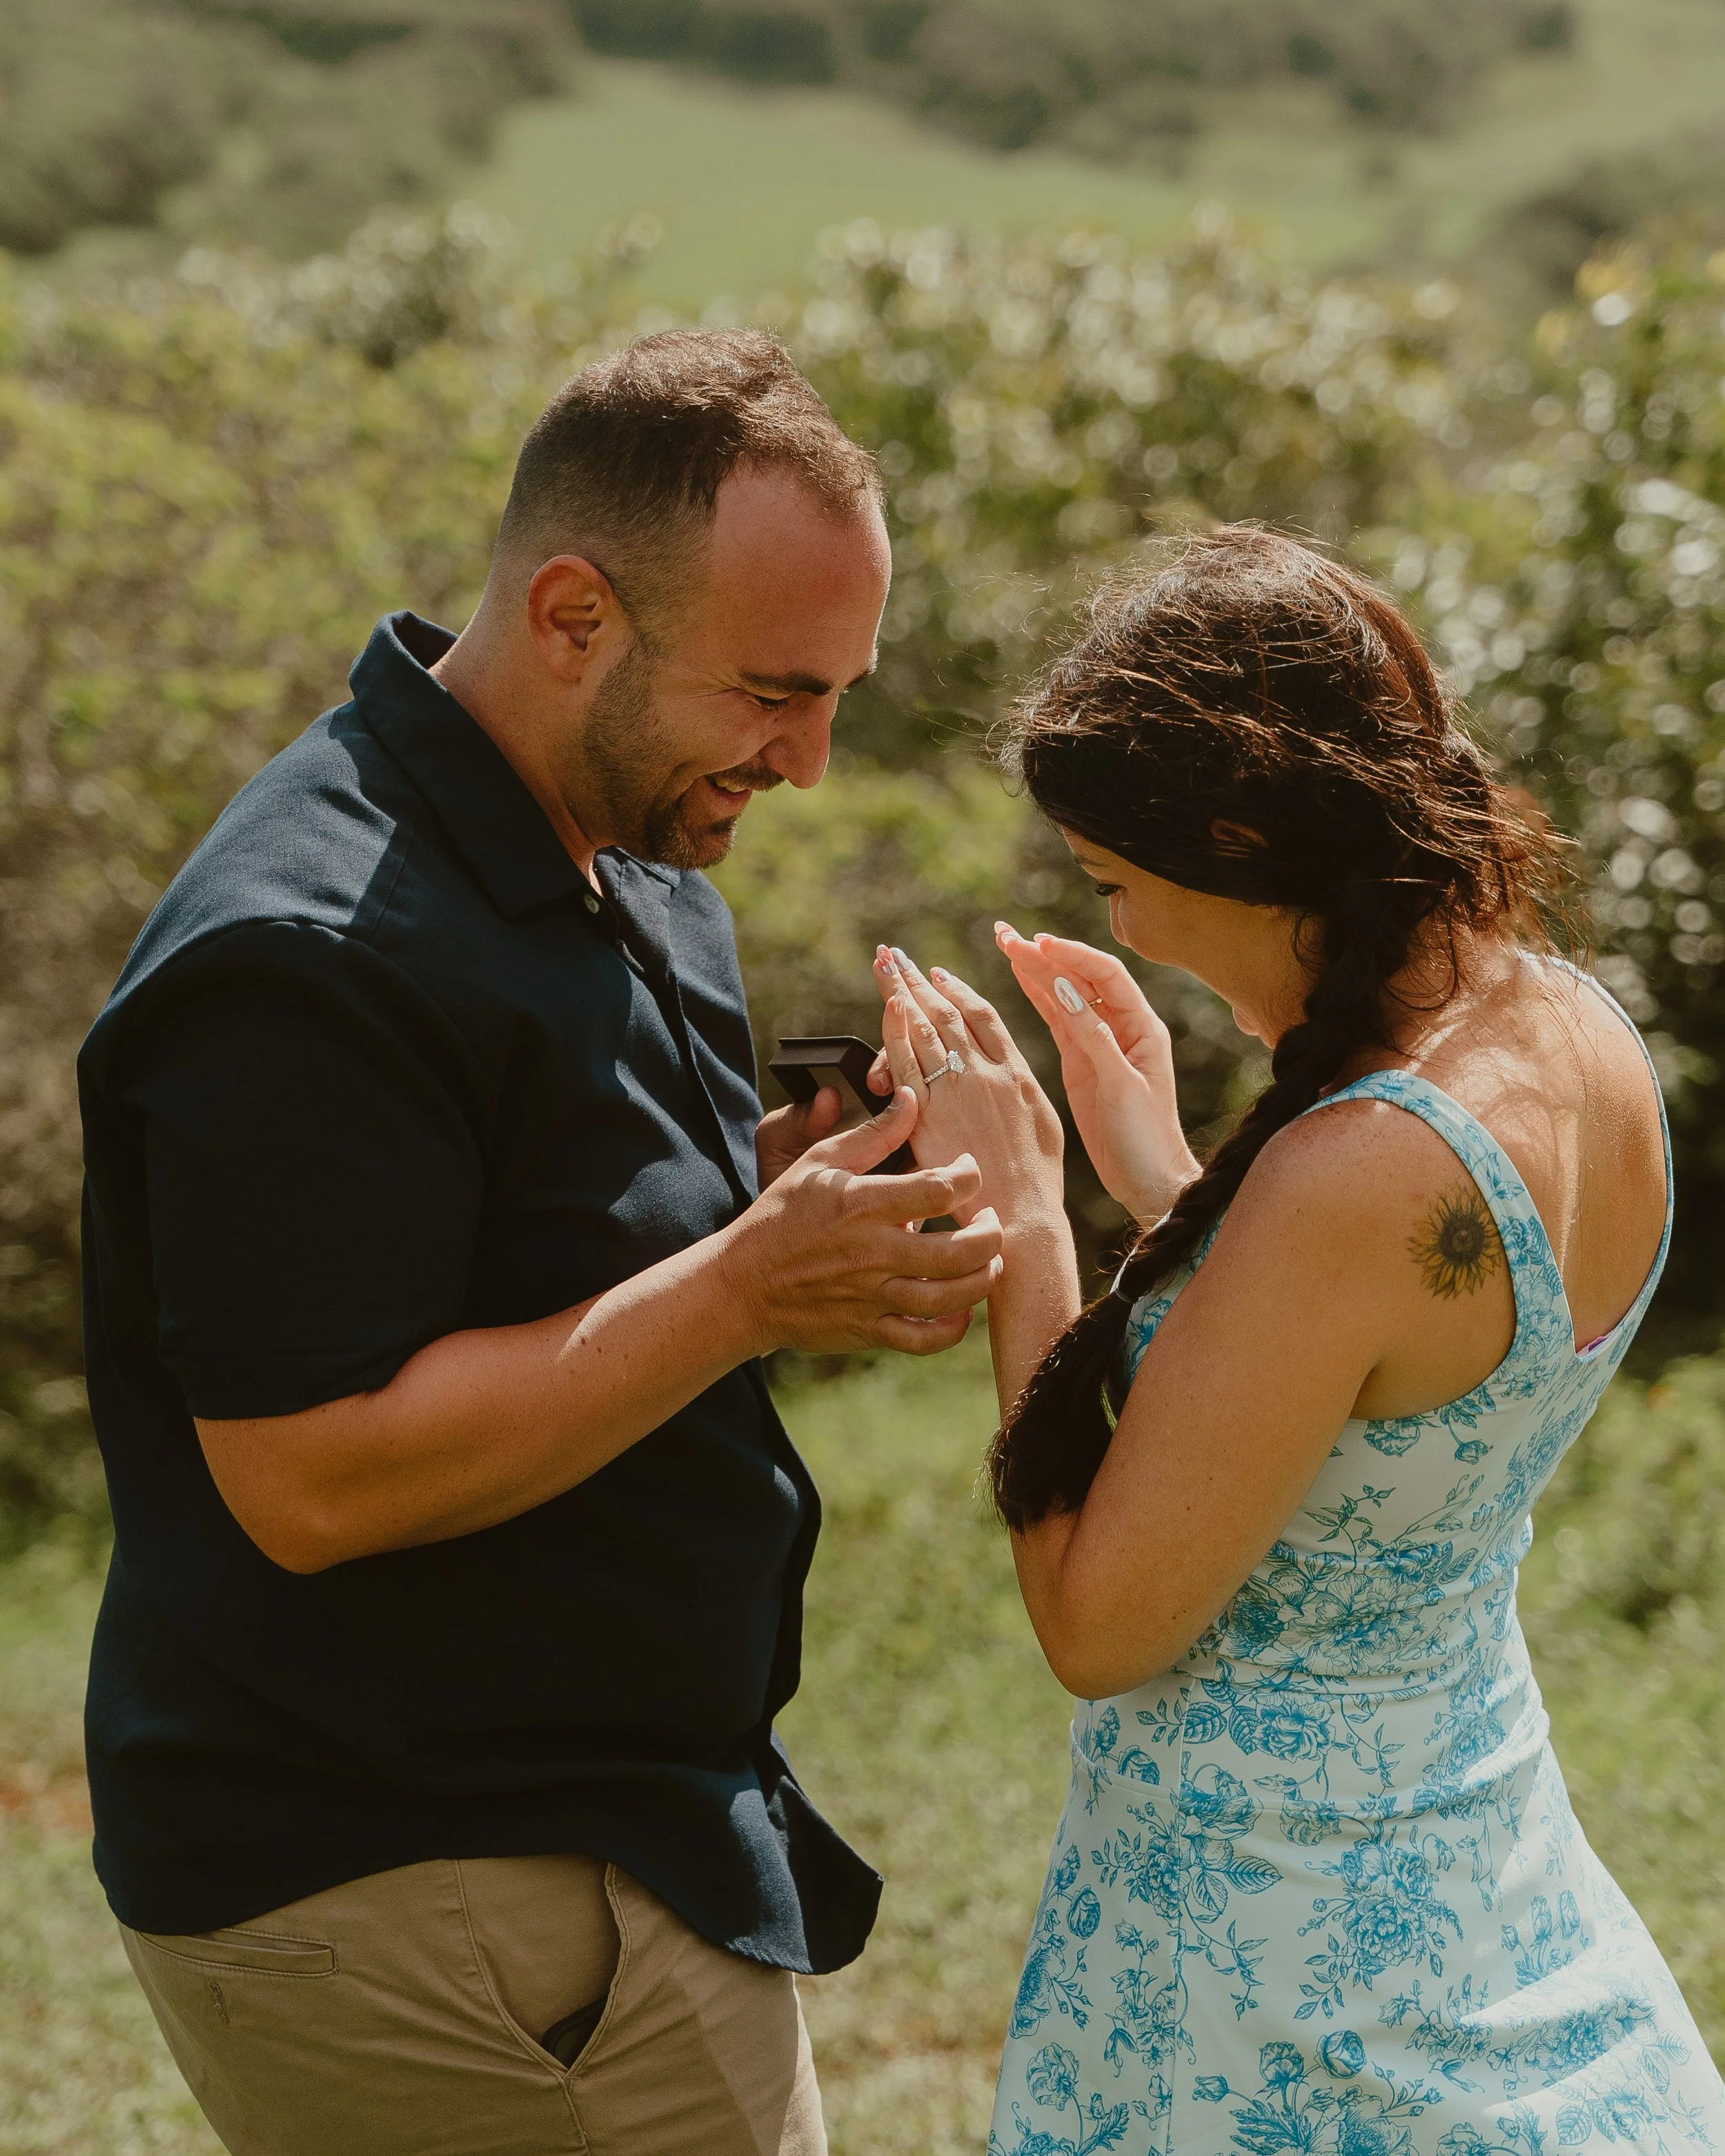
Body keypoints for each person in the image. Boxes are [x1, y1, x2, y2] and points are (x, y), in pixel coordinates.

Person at [76, 329, 1004, 2156]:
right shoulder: (307, 953)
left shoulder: (623, 842)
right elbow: (308, 1473)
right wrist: (748, 1282)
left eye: (836, 695)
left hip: (593, 1831)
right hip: (412, 1872)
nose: (809, 760)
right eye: (773, 692)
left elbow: (540, 1237)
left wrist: (781, 1192)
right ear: (573, 614)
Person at [867, 528, 1725, 2156]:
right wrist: (1171, 1188)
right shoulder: (1570, 1031)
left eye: (1113, 876)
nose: (1120, 920)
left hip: (1279, 2004)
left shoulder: (1355, 1175)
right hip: (1487, 1917)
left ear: (1240, 835)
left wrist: (1028, 1217)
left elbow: (1096, 1621)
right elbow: (1376, 1392)